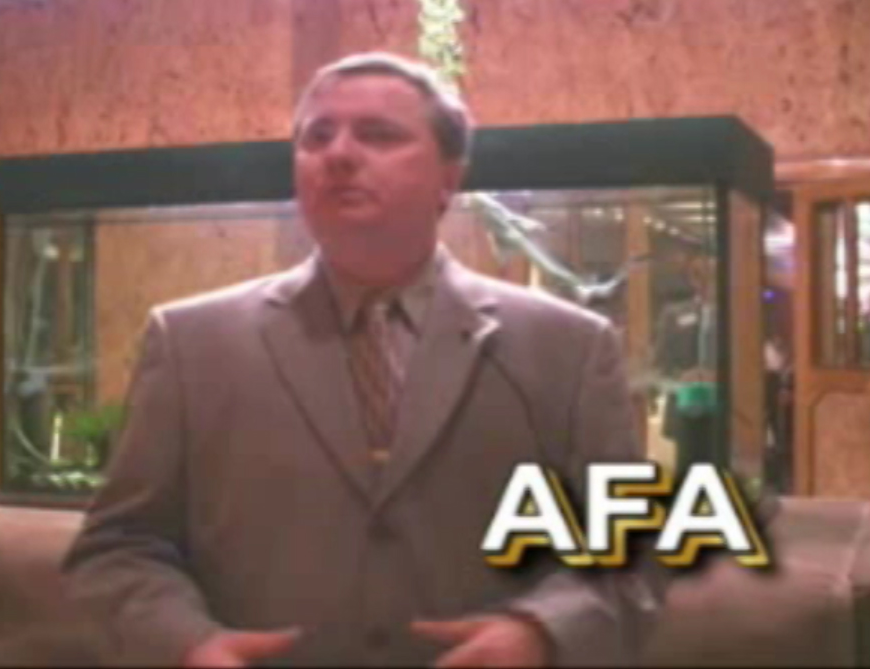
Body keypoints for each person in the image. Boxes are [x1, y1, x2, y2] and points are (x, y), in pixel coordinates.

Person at [62, 52, 666, 667]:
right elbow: (119, 546)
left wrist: (539, 633)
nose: (339, 154)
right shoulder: (191, 342)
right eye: (317, 136)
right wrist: (185, 642)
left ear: (449, 178)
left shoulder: (568, 348)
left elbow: (629, 551)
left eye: (378, 135)